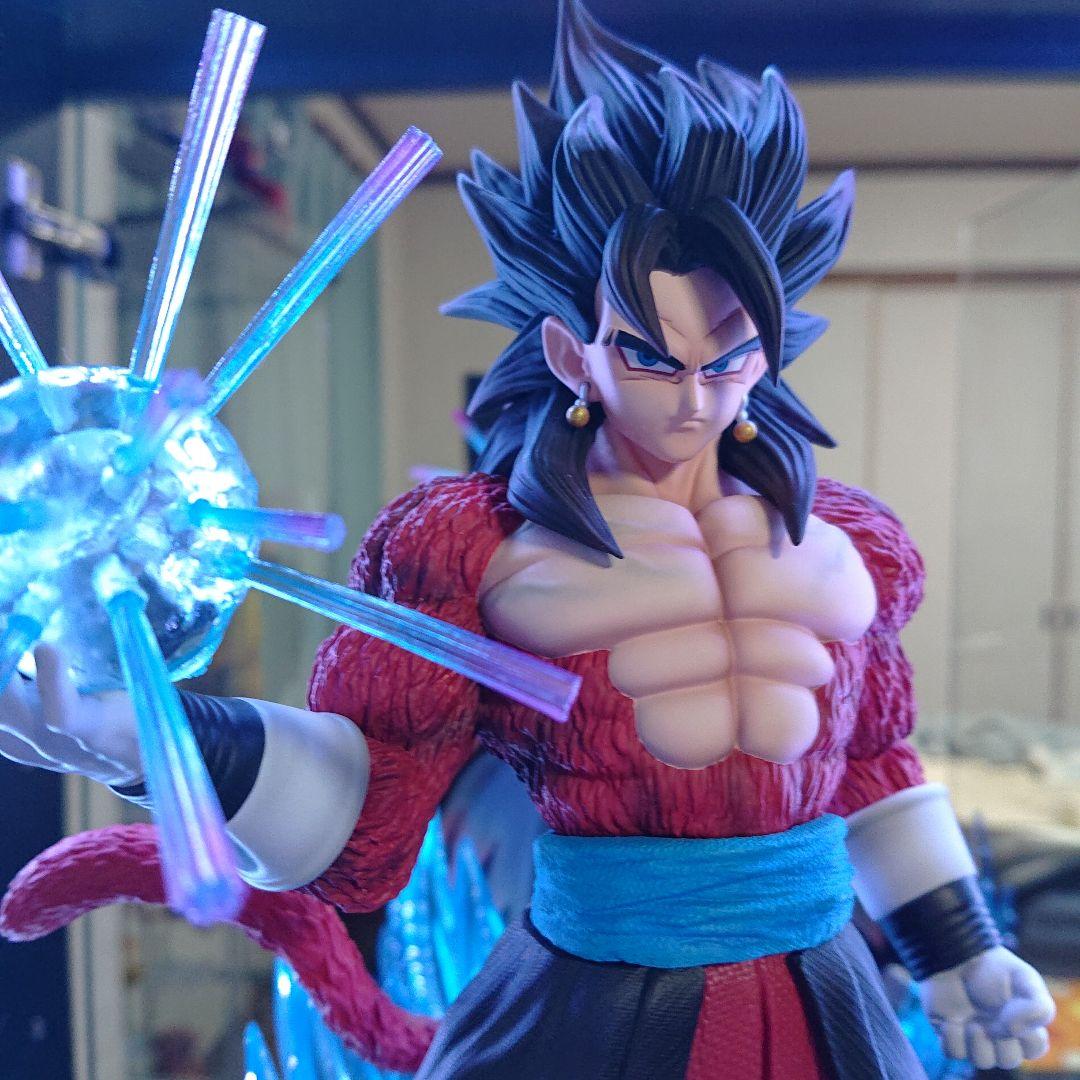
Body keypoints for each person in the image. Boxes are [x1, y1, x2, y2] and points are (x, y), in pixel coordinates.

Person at [0, 3, 1056, 1077]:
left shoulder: (845, 543)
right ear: (569, 351)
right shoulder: (478, 551)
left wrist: (959, 951)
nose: (696, 397)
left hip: (823, 1004)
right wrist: (169, 739)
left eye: (733, 354)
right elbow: (366, 808)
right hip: (590, 1009)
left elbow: (873, 765)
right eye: (652, 356)